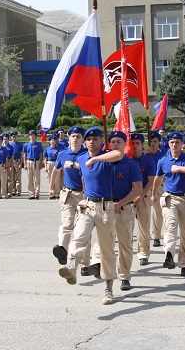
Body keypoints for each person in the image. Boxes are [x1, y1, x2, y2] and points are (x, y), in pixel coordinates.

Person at [57, 127, 124, 305]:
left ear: (102, 141)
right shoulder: (81, 158)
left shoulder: (107, 156)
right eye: (89, 139)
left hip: (105, 206)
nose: (91, 142)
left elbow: (118, 154)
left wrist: (95, 158)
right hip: (87, 204)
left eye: (95, 139)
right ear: (84, 142)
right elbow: (84, 179)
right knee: (79, 236)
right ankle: (72, 266)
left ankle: (108, 287)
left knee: (107, 249)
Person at [91, 131, 142, 291]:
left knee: (125, 245)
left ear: (125, 144)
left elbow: (138, 189)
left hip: (123, 209)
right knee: (103, 242)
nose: (115, 144)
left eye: (118, 141)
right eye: (112, 141)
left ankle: (125, 276)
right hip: (104, 207)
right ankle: (98, 265)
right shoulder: (102, 163)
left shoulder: (131, 164)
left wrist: (121, 203)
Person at [151, 132, 185, 277]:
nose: (174, 145)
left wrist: (179, 169)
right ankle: (169, 254)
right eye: (172, 142)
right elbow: (157, 178)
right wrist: (154, 193)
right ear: (168, 143)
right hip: (170, 198)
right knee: (170, 226)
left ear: (182, 144)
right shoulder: (163, 160)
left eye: (177, 142)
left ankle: (184, 264)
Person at [50, 126, 89, 270]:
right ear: (69, 138)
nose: (76, 138)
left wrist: (74, 165)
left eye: (79, 136)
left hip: (84, 195)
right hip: (68, 193)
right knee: (66, 224)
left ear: (82, 139)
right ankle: (62, 250)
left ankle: (84, 263)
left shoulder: (87, 154)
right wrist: (51, 185)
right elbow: (56, 169)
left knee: (83, 230)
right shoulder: (62, 154)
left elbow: (90, 168)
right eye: (73, 136)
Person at [129, 133, 156, 267]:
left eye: (137, 143)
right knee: (127, 227)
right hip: (128, 198)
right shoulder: (127, 160)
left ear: (142, 144)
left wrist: (140, 195)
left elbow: (150, 181)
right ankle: (127, 252)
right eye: (132, 143)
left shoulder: (148, 161)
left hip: (143, 197)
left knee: (143, 227)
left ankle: (143, 253)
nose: (134, 146)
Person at [146, 131, 166, 247]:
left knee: (157, 213)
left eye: (155, 141)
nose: (153, 144)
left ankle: (156, 236)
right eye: (151, 141)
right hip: (145, 187)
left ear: (159, 142)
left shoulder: (162, 157)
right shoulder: (144, 155)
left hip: (158, 187)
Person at [22, 130, 43, 200]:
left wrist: (40, 163)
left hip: (36, 161)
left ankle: (37, 193)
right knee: (29, 178)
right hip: (29, 161)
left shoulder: (38, 144)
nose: (32, 136)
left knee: (37, 178)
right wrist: (24, 163)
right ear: (29, 136)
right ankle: (31, 194)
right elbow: (24, 154)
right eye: (31, 135)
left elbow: (41, 154)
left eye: (33, 135)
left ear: (35, 136)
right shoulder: (26, 145)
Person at [44, 134, 63, 199]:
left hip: (56, 162)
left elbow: (60, 157)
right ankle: (51, 193)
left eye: (54, 140)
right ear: (50, 141)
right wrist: (46, 166)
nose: (53, 141)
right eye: (52, 140)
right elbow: (45, 158)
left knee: (57, 178)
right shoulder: (47, 149)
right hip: (50, 162)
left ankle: (57, 193)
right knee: (50, 177)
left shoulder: (58, 148)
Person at [10, 132, 24, 196]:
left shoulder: (20, 144)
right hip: (11, 161)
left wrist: (21, 163)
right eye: (13, 136)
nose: (14, 138)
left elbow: (21, 154)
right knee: (12, 176)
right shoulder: (10, 144)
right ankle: (13, 190)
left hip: (17, 160)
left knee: (18, 176)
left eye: (15, 136)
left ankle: (18, 190)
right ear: (11, 137)